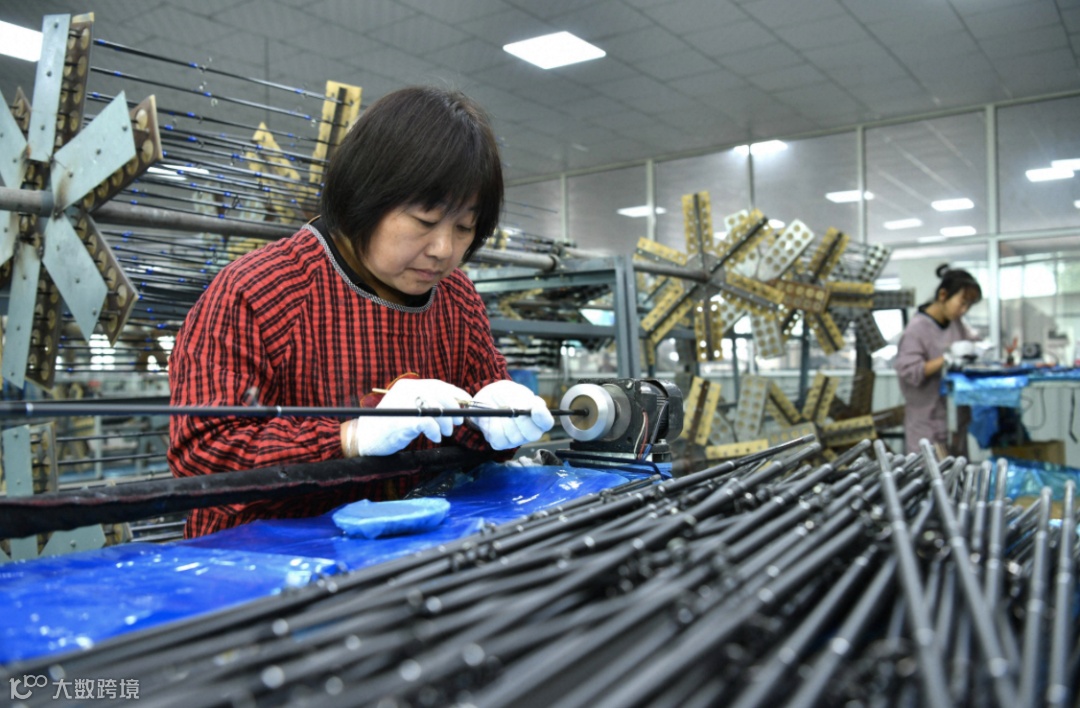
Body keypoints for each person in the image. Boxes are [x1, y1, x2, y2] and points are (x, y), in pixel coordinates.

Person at [167, 86, 554, 538]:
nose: (443, 249)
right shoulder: (259, 291)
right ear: (366, 195)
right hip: (265, 562)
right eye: (426, 221)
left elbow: (476, 439)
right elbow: (204, 454)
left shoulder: (456, 298)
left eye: (464, 227)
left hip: (418, 555)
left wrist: (494, 421)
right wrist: (349, 438)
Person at [894, 264, 983, 456]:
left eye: (969, 306)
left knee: (958, 470)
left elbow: (972, 342)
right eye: (962, 303)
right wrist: (947, 358)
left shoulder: (956, 323)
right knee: (932, 471)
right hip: (927, 422)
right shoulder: (916, 329)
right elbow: (910, 371)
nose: (964, 310)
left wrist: (977, 349)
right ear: (943, 295)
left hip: (954, 420)